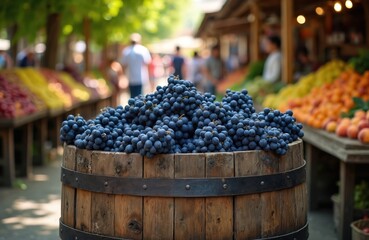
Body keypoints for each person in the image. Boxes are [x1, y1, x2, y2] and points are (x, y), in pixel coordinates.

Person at [121, 33, 151, 98]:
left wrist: (123, 77)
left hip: (130, 78)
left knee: (132, 98)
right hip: (141, 78)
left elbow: (123, 65)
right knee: (141, 99)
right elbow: (147, 63)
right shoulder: (143, 50)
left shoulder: (126, 51)